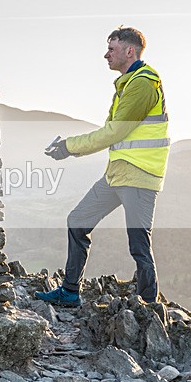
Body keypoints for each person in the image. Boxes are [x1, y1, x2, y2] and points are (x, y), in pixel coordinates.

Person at [37, 26, 169, 306]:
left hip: (140, 176)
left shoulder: (143, 84)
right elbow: (112, 132)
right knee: (77, 220)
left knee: (139, 245)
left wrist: (68, 147)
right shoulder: (127, 83)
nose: (105, 54)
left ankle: (148, 307)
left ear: (129, 51)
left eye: (111, 48)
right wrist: (68, 149)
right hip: (117, 174)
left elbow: (113, 133)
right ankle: (71, 292)